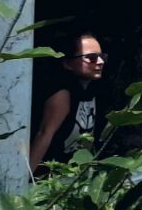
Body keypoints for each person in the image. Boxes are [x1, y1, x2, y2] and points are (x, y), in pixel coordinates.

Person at [29, 31, 107, 173]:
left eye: (102, 56)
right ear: (67, 63)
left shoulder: (93, 89)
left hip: (74, 174)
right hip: (51, 176)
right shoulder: (62, 93)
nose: (100, 62)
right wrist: (25, 180)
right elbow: (44, 134)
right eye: (91, 57)